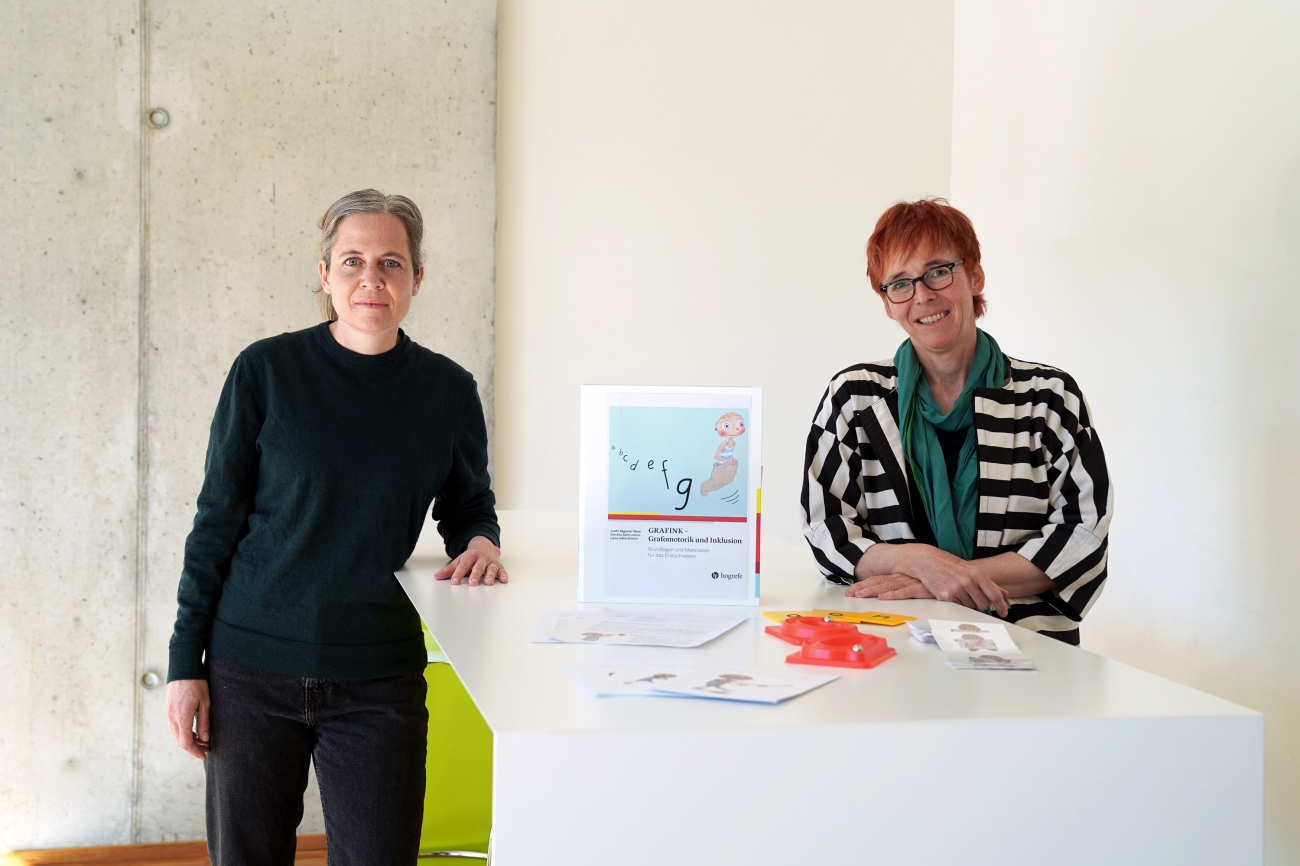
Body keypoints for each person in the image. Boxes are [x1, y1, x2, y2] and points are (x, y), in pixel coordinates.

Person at [164, 189, 505, 865]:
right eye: (351, 261)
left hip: (377, 677)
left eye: (391, 262)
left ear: (417, 278)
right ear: (325, 275)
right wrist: (184, 664)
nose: (371, 278)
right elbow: (216, 521)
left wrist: (482, 540)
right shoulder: (265, 371)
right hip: (249, 669)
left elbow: (468, 503)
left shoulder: (447, 391)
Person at [800, 198, 1111, 644]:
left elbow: (1083, 535)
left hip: (1026, 647)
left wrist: (938, 580)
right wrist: (921, 559)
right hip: (892, 645)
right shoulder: (854, 398)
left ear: (975, 276)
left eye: (938, 271)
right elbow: (825, 530)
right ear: (887, 304)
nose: (922, 295)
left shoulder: (1049, 397)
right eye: (900, 283)